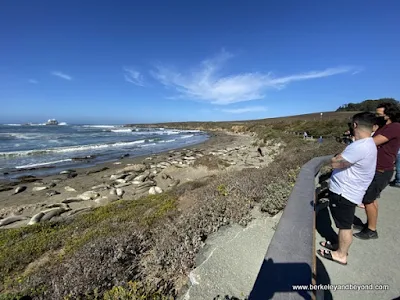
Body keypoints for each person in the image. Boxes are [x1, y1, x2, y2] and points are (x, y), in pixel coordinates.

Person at [317, 112, 377, 265]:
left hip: (344, 193)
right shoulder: (368, 143)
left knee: (344, 227)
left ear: (355, 125)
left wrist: (336, 158)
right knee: (343, 224)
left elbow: (335, 163)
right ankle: (338, 245)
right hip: (351, 191)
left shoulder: (360, 146)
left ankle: (341, 254)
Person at [354, 102, 400, 240]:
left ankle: (371, 230)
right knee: (370, 198)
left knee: (369, 199)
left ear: (389, 114)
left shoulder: (394, 127)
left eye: (380, 114)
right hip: (376, 168)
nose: (377, 117)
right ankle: (369, 224)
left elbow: (372, 142)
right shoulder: (384, 127)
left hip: (381, 169)